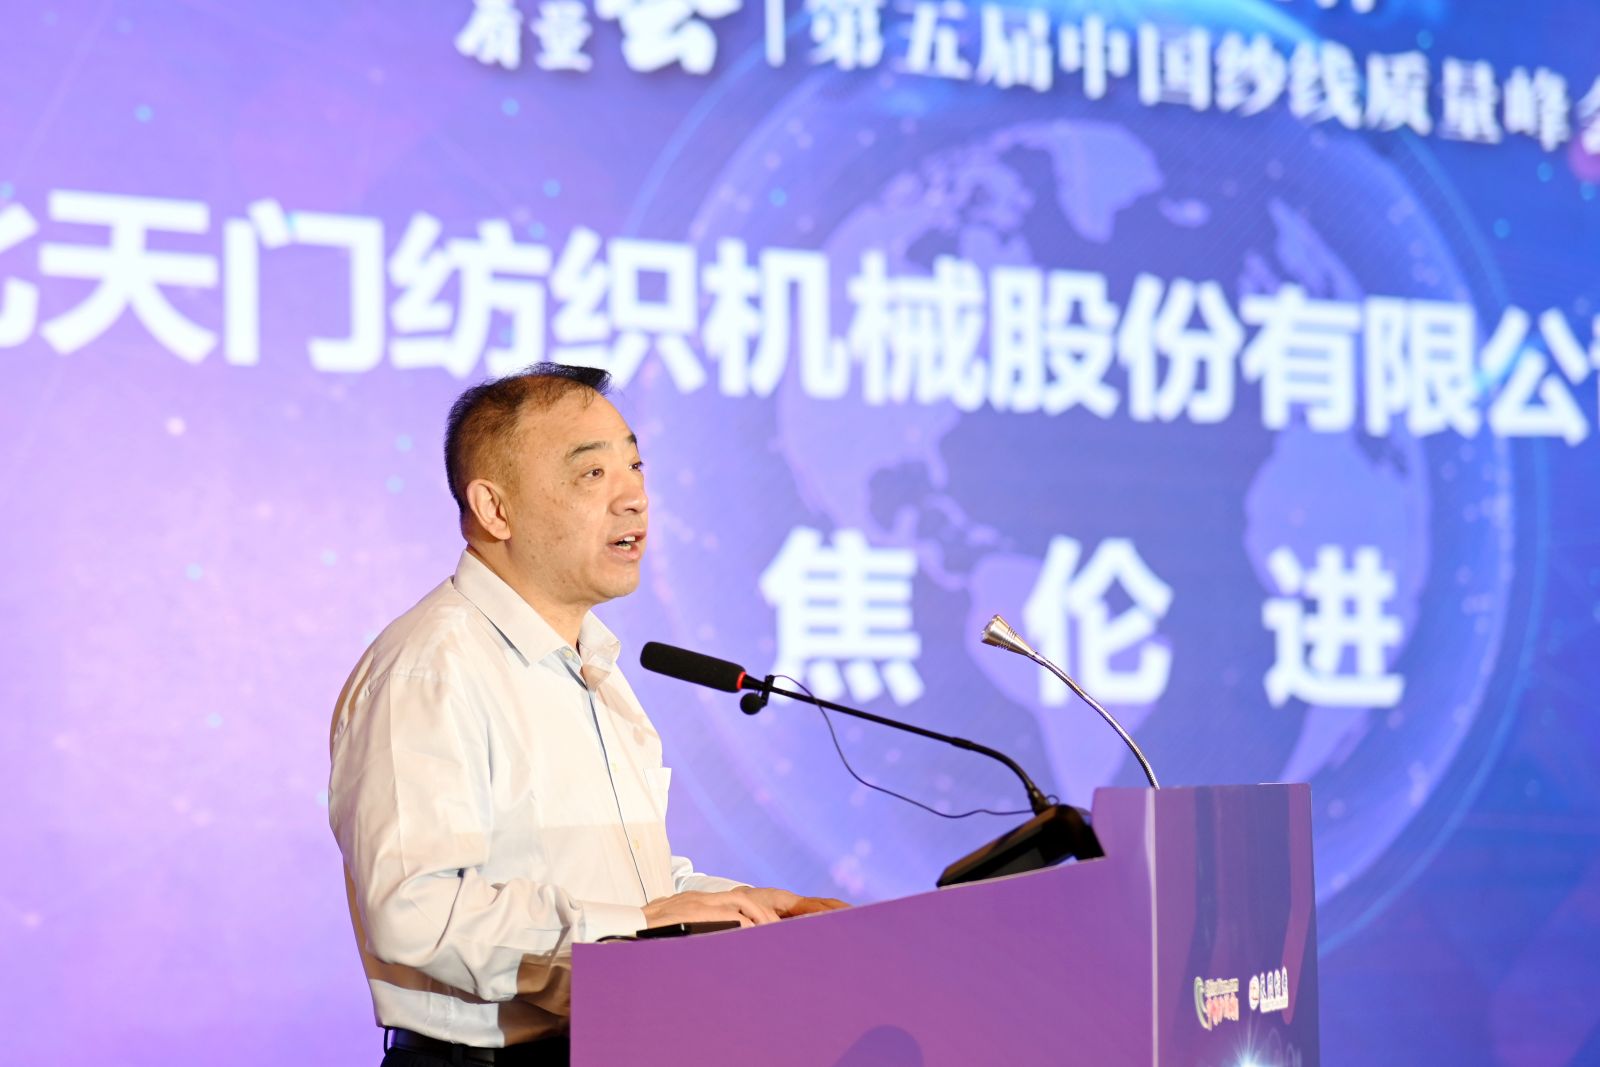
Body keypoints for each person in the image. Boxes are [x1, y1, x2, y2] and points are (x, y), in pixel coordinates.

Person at [328, 363, 845, 1066]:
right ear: (495, 508)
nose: (633, 497)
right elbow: (415, 910)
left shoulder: (591, 663)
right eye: (592, 473)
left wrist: (752, 910)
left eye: (635, 465)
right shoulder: (430, 668)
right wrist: (636, 929)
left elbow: (625, 888)